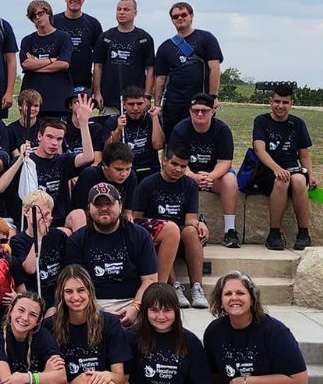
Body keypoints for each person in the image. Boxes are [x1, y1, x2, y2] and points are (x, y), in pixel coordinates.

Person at [64, 183, 160, 326]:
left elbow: (150, 280)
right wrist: (96, 310)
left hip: (133, 301)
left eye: (109, 203)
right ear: (89, 209)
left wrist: (136, 307)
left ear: (120, 206)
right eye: (98, 204)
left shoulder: (139, 235)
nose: (104, 208)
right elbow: (75, 285)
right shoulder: (76, 241)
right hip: (92, 304)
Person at [133, 146, 209, 309]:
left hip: (180, 229)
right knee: (167, 234)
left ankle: (197, 287)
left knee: (191, 231)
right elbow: (136, 218)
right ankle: (172, 287)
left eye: (183, 166)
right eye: (174, 164)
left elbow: (190, 219)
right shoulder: (148, 183)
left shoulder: (189, 185)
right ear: (164, 161)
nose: (178, 169)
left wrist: (199, 224)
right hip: (157, 233)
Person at [203, 271, 307, 382]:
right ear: (221, 302)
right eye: (228, 294)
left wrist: (246, 381)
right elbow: (213, 376)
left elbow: (300, 380)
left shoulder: (275, 332)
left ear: (252, 299)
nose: (234, 298)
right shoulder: (214, 332)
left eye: (240, 293)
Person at [247, 83, 316, 250]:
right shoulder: (261, 121)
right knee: (282, 181)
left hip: (293, 168)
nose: (280, 106)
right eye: (277, 101)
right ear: (271, 101)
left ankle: (303, 233)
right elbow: (259, 149)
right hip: (268, 170)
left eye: (285, 103)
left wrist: (312, 175)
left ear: (291, 104)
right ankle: (274, 233)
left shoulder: (298, 123)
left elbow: (304, 154)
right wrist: (276, 169)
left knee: (299, 180)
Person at [169, 93, 241, 248]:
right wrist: (192, 176)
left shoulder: (222, 130)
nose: (199, 114)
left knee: (230, 179)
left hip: (214, 176)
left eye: (204, 110)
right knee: (171, 176)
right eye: (195, 110)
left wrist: (210, 177)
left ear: (212, 112)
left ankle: (230, 230)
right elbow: (175, 161)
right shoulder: (180, 129)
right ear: (190, 111)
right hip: (186, 174)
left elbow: (225, 162)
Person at [48, 265, 130, 383]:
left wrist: (107, 375)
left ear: (90, 291)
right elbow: (48, 378)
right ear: (61, 295)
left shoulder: (110, 323)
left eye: (81, 290)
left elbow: (121, 378)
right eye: (69, 291)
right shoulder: (50, 326)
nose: (76, 297)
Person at [154, 2, 223, 135]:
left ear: (191, 16)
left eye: (183, 14)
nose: (180, 18)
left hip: (200, 103)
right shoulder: (165, 47)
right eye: (175, 16)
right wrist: (157, 104)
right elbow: (160, 78)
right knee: (171, 143)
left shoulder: (206, 38)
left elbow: (214, 68)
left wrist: (213, 96)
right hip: (173, 104)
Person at [127, 282, 209, 383]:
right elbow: (123, 379)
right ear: (145, 311)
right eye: (154, 310)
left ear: (176, 311)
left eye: (167, 310)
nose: (161, 316)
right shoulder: (131, 337)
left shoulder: (190, 342)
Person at [26, 115, 97, 222]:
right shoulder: (26, 161)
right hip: (33, 221)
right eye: (50, 137)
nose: (54, 143)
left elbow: (88, 157)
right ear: (40, 136)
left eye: (59, 139)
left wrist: (83, 123)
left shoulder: (64, 160)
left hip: (60, 221)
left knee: (79, 215)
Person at [92, 0, 155, 116]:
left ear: (135, 13)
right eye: (119, 9)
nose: (121, 12)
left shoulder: (144, 38)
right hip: (109, 100)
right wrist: (97, 93)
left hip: (135, 101)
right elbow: (98, 66)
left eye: (126, 9)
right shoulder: (106, 37)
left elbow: (150, 68)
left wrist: (147, 95)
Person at [0, 290, 65, 384]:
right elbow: (7, 381)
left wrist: (28, 378)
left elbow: (61, 376)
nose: (25, 318)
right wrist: (45, 376)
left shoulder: (43, 336)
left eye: (32, 315)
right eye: (21, 310)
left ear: (38, 321)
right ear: (10, 310)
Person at [9, 190, 68, 310]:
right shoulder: (17, 241)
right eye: (39, 211)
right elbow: (29, 269)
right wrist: (39, 236)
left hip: (58, 297)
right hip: (36, 298)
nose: (43, 217)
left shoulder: (59, 236)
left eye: (47, 213)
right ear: (26, 212)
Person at [20, 0, 75, 119]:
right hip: (34, 100)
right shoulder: (27, 40)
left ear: (48, 13)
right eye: (34, 16)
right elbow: (26, 64)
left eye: (40, 13)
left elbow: (64, 64)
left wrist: (36, 66)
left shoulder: (63, 38)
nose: (38, 18)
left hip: (58, 99)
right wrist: (51, 60)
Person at [67, 143, 141, 233]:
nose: (124, 174)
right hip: (91, 221)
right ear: (105, 165)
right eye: (119, 169)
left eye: (128, 169)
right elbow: (81, 209)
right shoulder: (90, 175)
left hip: (116, 220)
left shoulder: (131, 177)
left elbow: (128, 213)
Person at [52, 0, 104, 94]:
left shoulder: (93, 24)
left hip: (83, 83)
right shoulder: (53, 21)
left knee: (81, 111)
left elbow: (99, 59)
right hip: (56, 80)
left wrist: (97, 88)